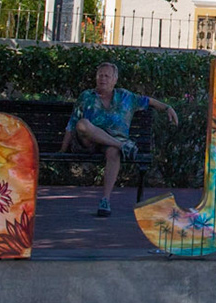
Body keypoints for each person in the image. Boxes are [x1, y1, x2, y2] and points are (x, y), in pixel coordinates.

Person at [63, 61, 179, 217]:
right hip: (87, 142)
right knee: (82, 124)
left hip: (112, 142)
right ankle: (122, 145)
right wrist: (62, 150)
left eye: (107, 76)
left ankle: (105, 200)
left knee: (114, 152)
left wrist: (168, 108)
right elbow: (72, 123)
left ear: (114, 79)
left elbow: (148, 101)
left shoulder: (125, 96)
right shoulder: (86, 96)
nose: (102, 79)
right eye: (100, 75)